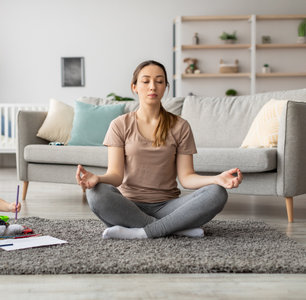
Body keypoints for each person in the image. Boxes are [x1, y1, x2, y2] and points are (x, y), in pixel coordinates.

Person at [76, 60, 243, 240]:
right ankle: (175, 228)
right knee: (96, 193)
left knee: (217, 193)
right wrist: (97, 178)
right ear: (134, 87)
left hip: (168, 206)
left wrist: (216, 179)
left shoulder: (180, 126)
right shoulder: (120, 125)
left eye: (159, 81)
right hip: (129, 206)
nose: (152, 86)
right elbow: (115, 176)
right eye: (146, 81)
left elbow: (186, 178)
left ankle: (141, 232)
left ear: (165, 87)